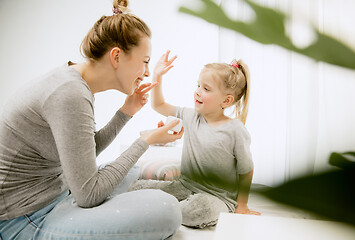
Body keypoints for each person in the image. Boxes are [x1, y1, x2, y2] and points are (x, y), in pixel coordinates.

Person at [0, 1, 184, 239]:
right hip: (26, 218)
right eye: (145, 61)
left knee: (132, 171)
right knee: (167, 211)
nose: (147, 72)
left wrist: (125, 112)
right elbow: (88, 194)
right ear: (116, 56)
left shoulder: (73, 82)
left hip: (58, 191)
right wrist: (145, 141)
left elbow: (80, 154)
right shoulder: (70, 94)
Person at [129, 50, 261, 228]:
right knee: (133, 188)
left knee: (196, 211)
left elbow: (246, 170)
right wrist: (157, 75)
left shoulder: (235, 130)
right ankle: (165, 208)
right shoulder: (190, 116)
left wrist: (242, 205)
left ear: (226, 100)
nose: (197, 92)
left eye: (206, 89)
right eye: (198, 86)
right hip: (185, 186)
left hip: (217, 197)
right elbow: (159, 105)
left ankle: (165, 209)